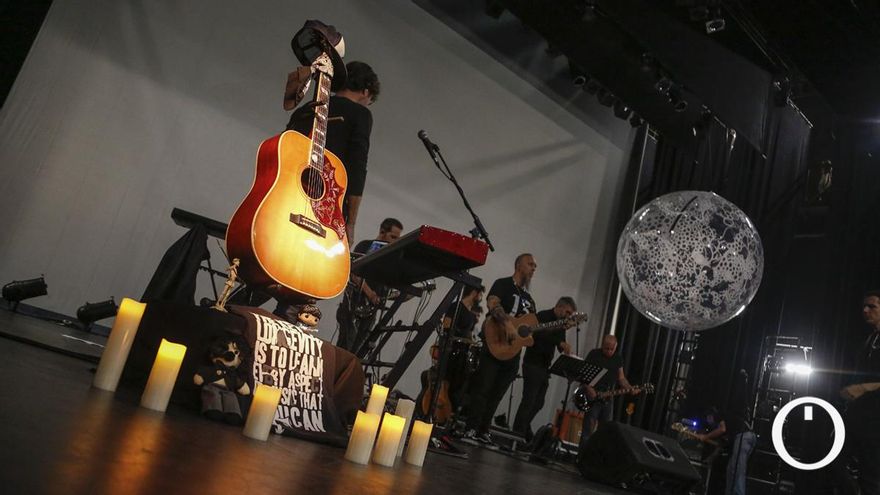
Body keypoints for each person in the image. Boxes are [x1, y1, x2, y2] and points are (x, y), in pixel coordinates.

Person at [284, 60, 380, 242]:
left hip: (288, 196)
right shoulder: (361, 114)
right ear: (366, 92)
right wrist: (351, 223)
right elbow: (357, 166)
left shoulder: (307, 108)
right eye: (370, 101)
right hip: (326, 209)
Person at [462, 253, 538, 445]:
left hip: (512, 353)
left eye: (535, 266)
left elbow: (528, 327)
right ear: (519, 265)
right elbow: (493, 304)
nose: (534, 268)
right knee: (483, 388)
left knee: (497, 393)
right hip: (493, 343)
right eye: (530, 264)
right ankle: (470, 428)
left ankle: (483, 430)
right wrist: (508, 325)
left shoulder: (529, 300)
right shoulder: (502, 284)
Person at [512, 296, 576, 442]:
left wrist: (564, 347)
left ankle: (523, 430)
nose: (568, 316)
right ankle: (518, 434)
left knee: (539, 402)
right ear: (559, 307)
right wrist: (559, 341)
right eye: (567, 312)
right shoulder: (542, 316)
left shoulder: (561, 323)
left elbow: (559, 341)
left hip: (544, 367)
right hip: (533, 363)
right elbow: (539, 335)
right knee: (529, 401)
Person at [334, 218, 403, 352]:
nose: (395, 241)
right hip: (352, 307)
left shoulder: (390, 257)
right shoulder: (365, 245)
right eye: (393, 237)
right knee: (345, 349)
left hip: (371, 313)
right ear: (382, 232)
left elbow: (387, 289)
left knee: (359, 352)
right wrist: (370, 294)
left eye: (397, 238)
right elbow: (353, 273)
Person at [836, 290, 880, 495]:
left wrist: (863, 388)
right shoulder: (868, 341)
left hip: (875, 421)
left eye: (872, 306)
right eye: (864, 306)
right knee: (833, 461)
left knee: (871, 476)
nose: (865, 310)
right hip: (858, 416)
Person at [696, 370, 755, 495]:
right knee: (732, 468)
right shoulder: (725, 425)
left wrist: (705, 436)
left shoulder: (718, 415)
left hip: (743, 436)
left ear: (710, 416)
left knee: (737, 469)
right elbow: (721, 445)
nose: (709, 423)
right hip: (745, 437)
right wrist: (710, 459)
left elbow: (721, 429)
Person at [578, 334, 639, 453]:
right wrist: (588, 388)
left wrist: (630, 388)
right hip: (593, 395)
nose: (609, 351)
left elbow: (621, 378)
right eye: (607, 348)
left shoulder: (618, 359)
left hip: (608, 397)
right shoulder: (594, 354)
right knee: (588, 430)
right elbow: (582, 374)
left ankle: (598, 459)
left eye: (612, 349)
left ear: (616, 347)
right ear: (602, 345)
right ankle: (582, 456)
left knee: (605, 431)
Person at [442, 285, 485, 413]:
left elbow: (470, 334)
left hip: (463, 352)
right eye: (480, 294)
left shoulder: (471, 314)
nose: (480, 298)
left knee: (459, 384)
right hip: (451, 349)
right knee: (446, 380)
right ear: (473, 292)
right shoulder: (455, 307)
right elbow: (446, 325)